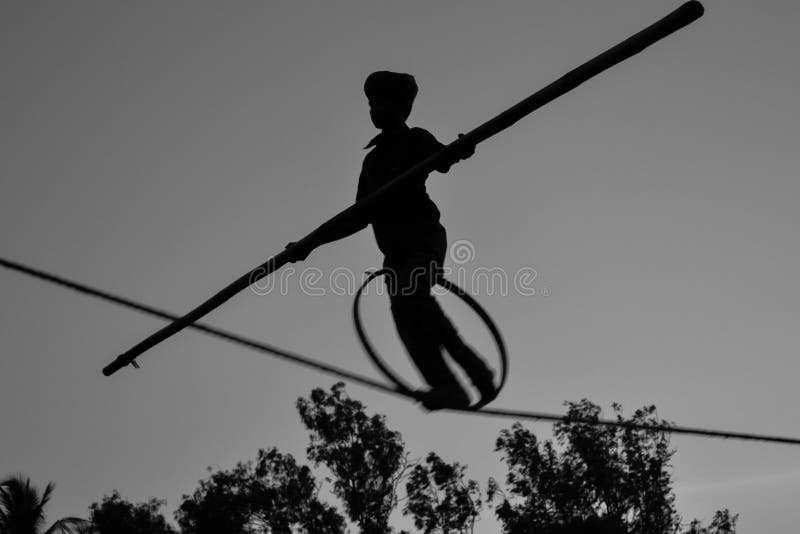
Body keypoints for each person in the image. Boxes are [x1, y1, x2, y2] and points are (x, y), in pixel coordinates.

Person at [286, 71, 494, 410]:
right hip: (395, 254)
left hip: (422, 240)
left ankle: (476, 371)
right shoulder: (372, 160)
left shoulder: (414, 139)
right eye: (370, 103)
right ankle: (447, 385)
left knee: (414, 300)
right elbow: (357, 215)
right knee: (405, 316)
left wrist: (462, 148)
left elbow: (444, 158)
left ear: (400, 106)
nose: (373, 108)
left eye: (380, 101)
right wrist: (310, 244)